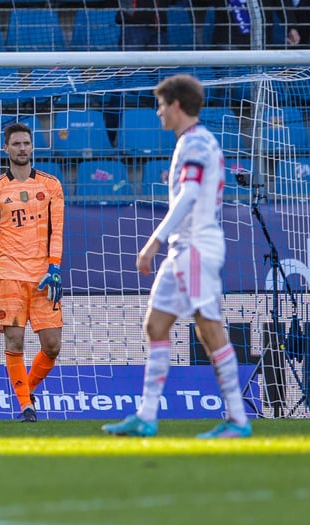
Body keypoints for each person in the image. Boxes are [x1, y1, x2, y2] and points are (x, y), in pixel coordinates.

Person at [102, 74, 252, 439]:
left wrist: (154, 241)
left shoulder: (196, 142)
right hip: (181, 249)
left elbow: (189, 194)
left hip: (196, 247)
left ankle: (238, 419)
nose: (158, 113)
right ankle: (146, 416)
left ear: (177, 106)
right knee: (155, 325)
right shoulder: (191, 140)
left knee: (209, 329)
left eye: (161, 105)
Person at [0, 123, 64, 422]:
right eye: (16, 144)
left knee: (52, 346)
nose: (22, 148)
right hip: (9, 275)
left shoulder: (51, 185)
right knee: (14, 343)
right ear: (6, 148)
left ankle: (27, 389)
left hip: (43, 278)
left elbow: (57, 230)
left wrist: (55, 267)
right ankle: (26, 406)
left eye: (26, 143)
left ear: (32, 146)